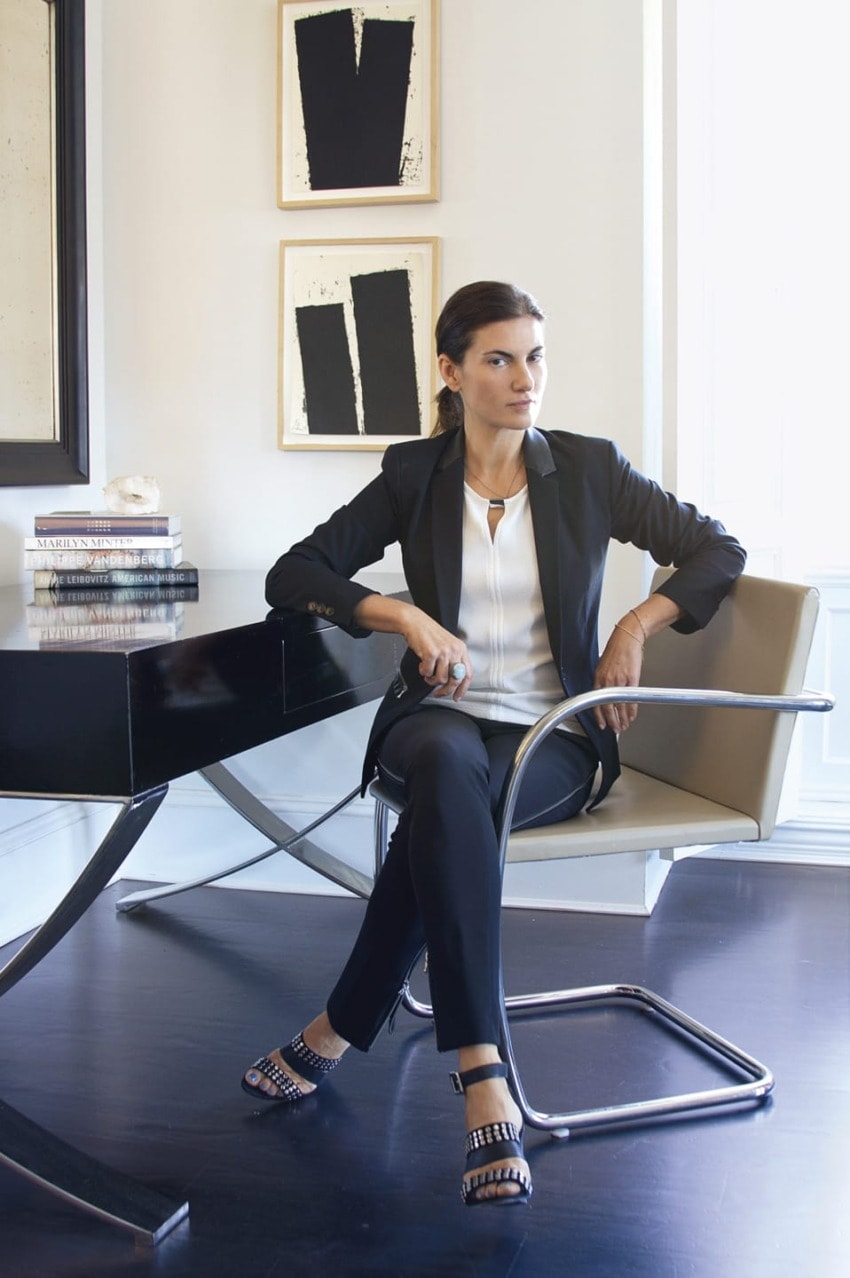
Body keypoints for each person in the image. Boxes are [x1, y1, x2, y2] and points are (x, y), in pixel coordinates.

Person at [242, 281, 746, 1206]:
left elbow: (717, 548)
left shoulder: (590, 471)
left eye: (536, 356)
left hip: (555, 732)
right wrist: (398, 614)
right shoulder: (414, 475)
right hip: (438, 715)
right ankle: (484, 1072)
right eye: (500, 359)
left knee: (448, 806)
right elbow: (294, 572)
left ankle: (338, 1028)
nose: (525, 379)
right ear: (452, 371)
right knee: (442, 764)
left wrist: (635, 623)